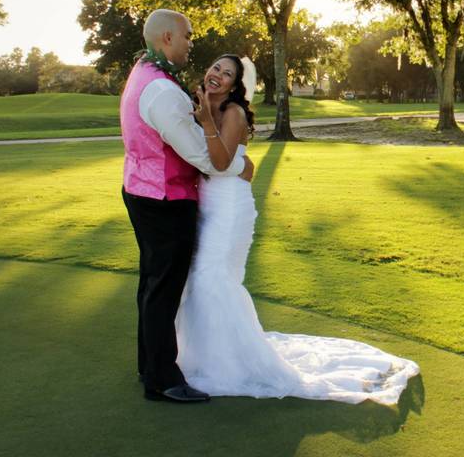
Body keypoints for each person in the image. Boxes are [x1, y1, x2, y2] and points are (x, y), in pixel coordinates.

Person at [176, 54, 420, 405]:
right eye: (215, 67)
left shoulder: (233, 113)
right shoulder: (200, 105)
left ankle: (225, 365)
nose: (217, 75)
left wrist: (206, 125)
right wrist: (203, 121)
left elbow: (219, 162)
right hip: (210, 203)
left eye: (227, 74)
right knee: (211, 280)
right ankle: (210, 355)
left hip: (229, 207)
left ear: (235, 85)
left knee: (209, 279)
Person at [120, 9, 254, 404]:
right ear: (166, 38)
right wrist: (240, 165)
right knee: (163, 289)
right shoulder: (161, 90)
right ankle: (161, 378)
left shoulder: (142, 74)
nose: (191, 43)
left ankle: (150, 365)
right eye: (188, 36)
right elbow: (204, 157)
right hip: (163, 197)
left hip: (145, 191)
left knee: (152, 284)